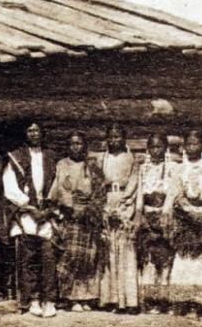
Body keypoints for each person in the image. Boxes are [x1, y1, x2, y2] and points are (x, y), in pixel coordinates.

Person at [3, 121, 59, 317]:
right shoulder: (16, 157)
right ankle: (33, 299)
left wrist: (48, 207)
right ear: (25, 133)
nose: (34, 133)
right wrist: (28, 205)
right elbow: (10, 187)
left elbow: (58, 182)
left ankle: (49, 300)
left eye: (37, 130)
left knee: (48, 257)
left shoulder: (51, 156)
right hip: (26, 214)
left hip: (47, 213)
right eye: (30, 130)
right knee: (29, 258)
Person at [48, 132, 105, 311]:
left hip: (88, 217)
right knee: (70, 255)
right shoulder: (62, 164)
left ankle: (85, 297)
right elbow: (59, 190)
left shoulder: (93, 166)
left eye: (79, 143)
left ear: (84, 145)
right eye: (72, 143)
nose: (76, 147)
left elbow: (100, 191)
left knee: (88, 256)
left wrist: (88, 210)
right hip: (70, 215)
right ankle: (70, 297)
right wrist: (70, 208)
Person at [168, 130, 202, 317]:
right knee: (186, 258)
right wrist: (189, 212)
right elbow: (176, 193)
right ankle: (184, 301)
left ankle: (201, 302)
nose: (192, 148)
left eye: (195, 144)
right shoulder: (179, 168)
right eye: (188, 144)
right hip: (186, 217)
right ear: (184, 147)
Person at [98, 124, 140, 312]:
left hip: (124, 201)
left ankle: (128, 300)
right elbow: (97, 182)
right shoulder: (102, 158)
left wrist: (124, 204)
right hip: (107, 200)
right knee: (109, 250)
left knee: (125, 250)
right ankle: (111, 298)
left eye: (117, 137)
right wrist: (105, 207)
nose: (114, 140)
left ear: (124, 139)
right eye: (111, 137)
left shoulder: (131, 159)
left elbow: (135, 182)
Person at [134, 133, 176, 314]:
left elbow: (173, 192)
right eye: (152, 147)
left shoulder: (173, 168)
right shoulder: (143, 168)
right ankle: (150, 299)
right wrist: (140, 214)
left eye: (159, 147)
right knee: (149, 258)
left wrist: (165, 215)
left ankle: (164, 299)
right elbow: (140, 192)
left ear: (165, 148)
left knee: (164, 258)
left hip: (164, 215)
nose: (155, 151)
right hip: (148, 214)